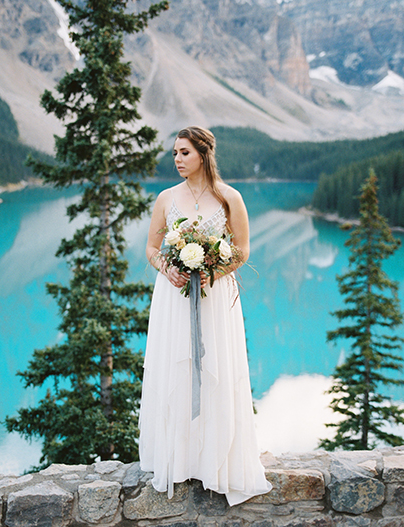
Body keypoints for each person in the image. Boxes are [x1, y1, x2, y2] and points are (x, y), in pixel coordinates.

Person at [138, 126, 272, 506]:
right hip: (174, 297)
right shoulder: (166, 198)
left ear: (203, 154)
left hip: (216, 297)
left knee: (216, 371)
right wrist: (167, 267)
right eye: (175, 153)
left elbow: (242, 251)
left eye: (184, 152)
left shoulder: (230, 197)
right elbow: (151, 246)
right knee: (176, 370)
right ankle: (178, 459)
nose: (177, 159)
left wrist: (212, 273)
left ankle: (214, 460)